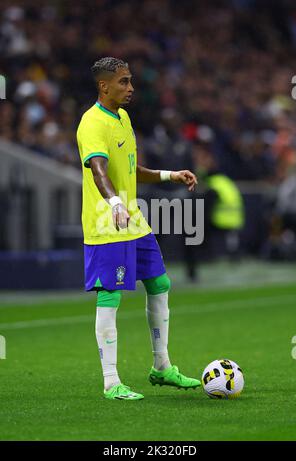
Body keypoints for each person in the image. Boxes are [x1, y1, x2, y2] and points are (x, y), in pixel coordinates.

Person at [76, 57, 200, 401]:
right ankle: (111, 382)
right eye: (123, 82)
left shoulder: (124, 118)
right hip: (107, 223)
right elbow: (98, 170)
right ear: (104, 85)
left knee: (160, 283)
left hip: (134, 220)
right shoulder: (91, 123)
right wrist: (114, 204)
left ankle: (161, 367)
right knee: (110, 296)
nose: (130, 88)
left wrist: (168, 175)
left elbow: (129, 169)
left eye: (130, 81)